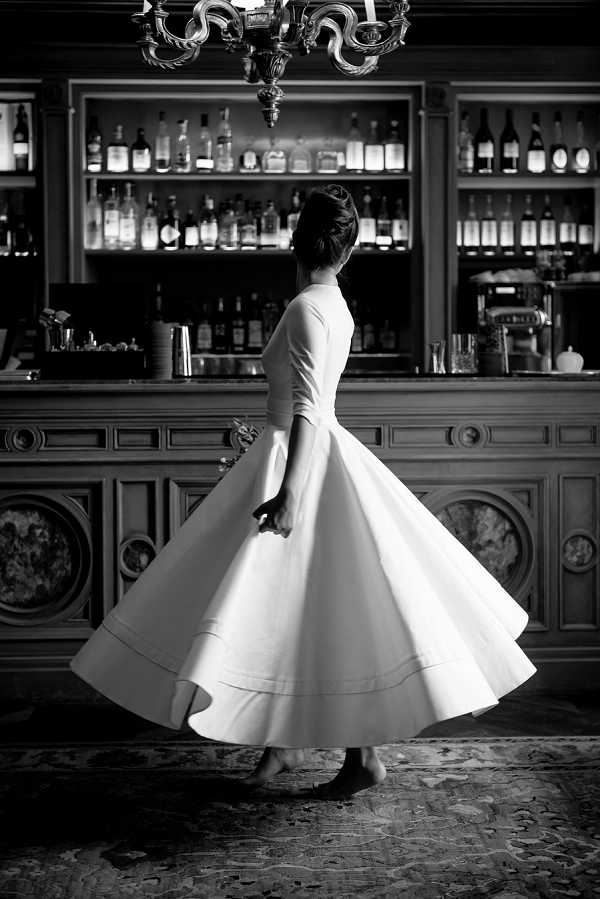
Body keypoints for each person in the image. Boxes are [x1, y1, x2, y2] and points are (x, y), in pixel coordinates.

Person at [70, 185, 536, 798]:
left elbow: (309, 409)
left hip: (300, 461)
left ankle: (328, 753)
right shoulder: (334, 305)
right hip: (299, 453)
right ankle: (301, 749)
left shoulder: (304, 309)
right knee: (309, 607)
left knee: (287, 605)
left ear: (295, 239)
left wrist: (290, 490)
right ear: (350, 250)